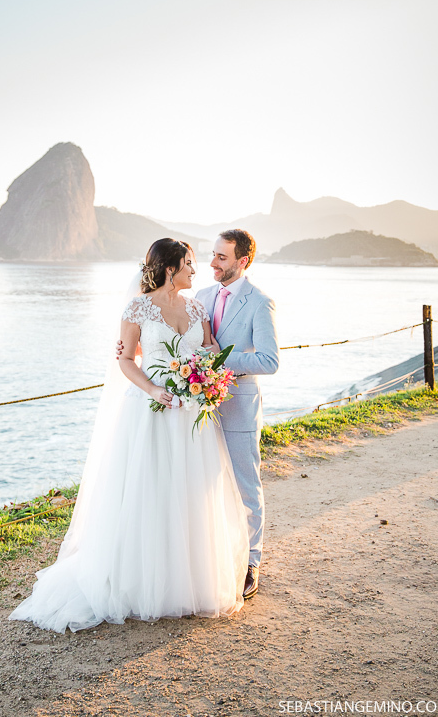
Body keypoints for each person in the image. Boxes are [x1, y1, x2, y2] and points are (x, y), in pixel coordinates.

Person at [9, 238, 249, 633]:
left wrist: (208, 379)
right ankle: (141, 583)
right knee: (148, 492)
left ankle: (186, 582)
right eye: (188, 264)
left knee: (189, 494)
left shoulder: (196, 307)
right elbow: (125, 359)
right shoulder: (137, 307)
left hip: (190, 415)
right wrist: (155, 389)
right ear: (170, 269)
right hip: (151, 413)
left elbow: (209, 348)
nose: (195, 270)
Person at [196, 229, 279, 601]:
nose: (212, 263)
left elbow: (269, 360)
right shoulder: (201, 296)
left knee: (246, 485)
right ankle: (213, 555)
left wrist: (220, 359)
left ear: (243, 261)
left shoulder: (260, 302)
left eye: (222, 258)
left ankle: (251, 562)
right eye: (212, 255)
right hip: (199, 408)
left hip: (240, 405)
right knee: (204, 483)